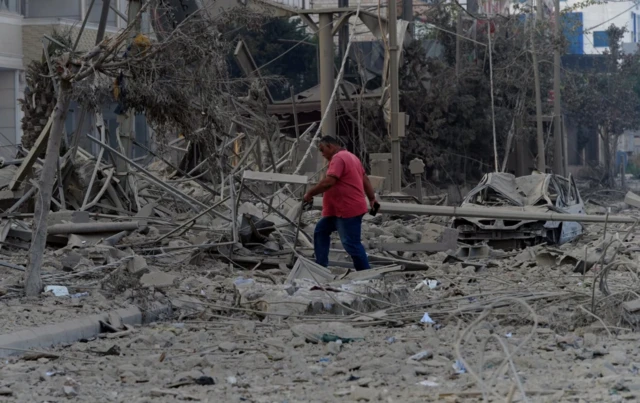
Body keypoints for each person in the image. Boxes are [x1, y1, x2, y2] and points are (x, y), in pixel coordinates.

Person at [303, 136, 379, 271]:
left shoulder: (338, 158)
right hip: (337, 210)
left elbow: (328, 182)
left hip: (347, 210)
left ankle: (366, 275)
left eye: (322, 150)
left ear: (330, 146)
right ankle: (320, 267)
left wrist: (310, 193)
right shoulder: (352, 157)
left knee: (351, 243)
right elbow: (365, 179)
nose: (322, 154)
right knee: (321, 231)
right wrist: (372, 198)